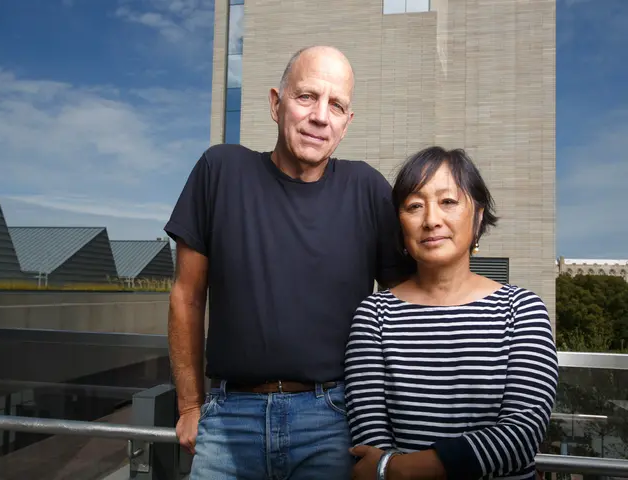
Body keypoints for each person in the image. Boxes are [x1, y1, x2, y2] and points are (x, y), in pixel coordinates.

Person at [164, 45, 411, 479]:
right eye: (307, 97)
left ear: (346, 124)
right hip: (227, 420)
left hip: (333, 420)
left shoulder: (367, 189)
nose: (320, 116)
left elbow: (405, 312)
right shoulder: (220, 170)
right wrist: (188, 405)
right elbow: (186, 295)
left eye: (336, 105)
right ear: (276, 104)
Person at [344, 146, 559, 480]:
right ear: (400, 224)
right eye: (414, 206)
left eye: (448, 202)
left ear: (478, 215)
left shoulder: (522, 310)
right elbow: (369, 435)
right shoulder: (374, 314)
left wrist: (397, 469)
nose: (431, 220)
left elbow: (521, 434)